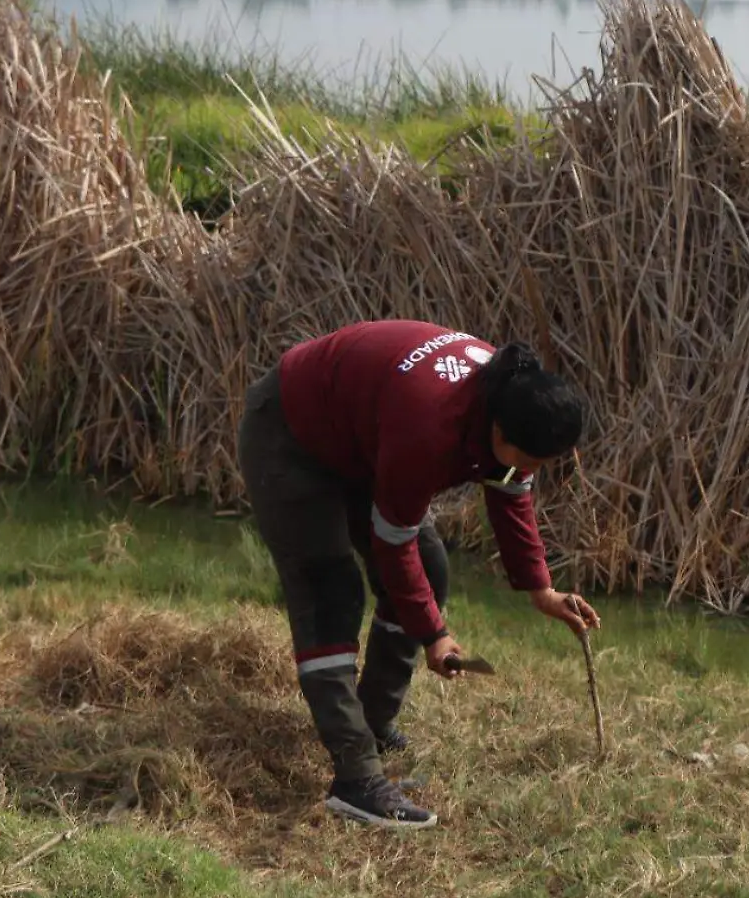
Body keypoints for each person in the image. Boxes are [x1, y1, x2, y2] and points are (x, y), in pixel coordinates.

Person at [236, 319, 602, 829]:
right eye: (529, 458)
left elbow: (511, 487)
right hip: (290, 434)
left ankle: (372, 724)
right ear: (497, 430)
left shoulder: (510, 397)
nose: (533, 471)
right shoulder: (430, 425)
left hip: (359, 438)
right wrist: (434, 634)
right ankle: (355, 779)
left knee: (430, 566)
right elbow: (392, 544)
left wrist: (541, 589)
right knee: (331, 591)